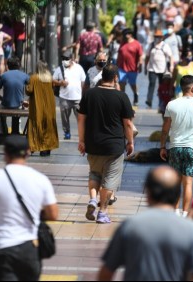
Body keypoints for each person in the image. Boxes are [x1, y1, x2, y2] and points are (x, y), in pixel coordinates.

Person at [97, 166, 193, 281]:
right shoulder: (192, 230)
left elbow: (106, 272)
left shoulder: (130, 226)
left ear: (148, 193)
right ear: (176, 194)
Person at [0, 135, 58, 281]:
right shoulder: (40, 179)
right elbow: (53, 214)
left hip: (3, 248)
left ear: (5, 153)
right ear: (28, 152)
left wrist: (3, 215)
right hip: (29, 250)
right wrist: (35, 215)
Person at [78, 64, 135, 224]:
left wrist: (81, 140)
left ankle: (92, 200)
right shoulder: (121, 97)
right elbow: (128, 124)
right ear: (115, 77)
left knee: (95, 173)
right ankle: (102, 212)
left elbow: (81, 119)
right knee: (109, 181)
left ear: (102, 76)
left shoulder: (89, 94)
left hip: (93, 143)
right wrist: (130, 142)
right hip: (114, 146)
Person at [160, 75, 193, 217]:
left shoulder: (172, 104)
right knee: (188, 183)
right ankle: (185, 213)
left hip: (175, 147)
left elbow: (165, 128)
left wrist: (163, 146)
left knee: (176, 182)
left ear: (181, 87)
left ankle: (175, 211)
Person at [26, 61, 59, 157]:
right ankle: (47, 149)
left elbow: (29, 90)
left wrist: (26, 86)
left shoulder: (34, 78)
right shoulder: (50, 78)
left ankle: (35, 146)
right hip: (49, 106)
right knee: (48, 125)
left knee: (37, 124)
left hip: (37, 105)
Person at [53, 52, 86, 140]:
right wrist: (60, 83)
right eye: (63, 58)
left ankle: (82, 133)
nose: (64, 61)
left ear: (71, 59)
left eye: (66, 59)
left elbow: (83, 81)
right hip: (64, 98)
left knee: (80, 117)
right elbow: (53, 80)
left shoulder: (79, 68)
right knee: (64, 117)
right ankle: (67, 132)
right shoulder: (59, 69)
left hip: (77, 98)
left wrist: (80, 92)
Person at [0, 57, 29, 135]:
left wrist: (2, 99)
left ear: (8, 66)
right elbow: (33, 90)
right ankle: (16, 133)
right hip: (19, 104)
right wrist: (27, 101)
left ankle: (3, 133)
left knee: (1, 115)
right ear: (19, 66)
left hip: (5, 104)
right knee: (17, 116)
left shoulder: (3, 76)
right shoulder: (24, 75)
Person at [145, 29, 174, 108]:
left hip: (162, 69)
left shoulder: (165, 46)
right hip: (152, 68)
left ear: (162, 37)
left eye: (159, 37)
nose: (158, 38)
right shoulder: (151, 45)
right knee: (152, 84)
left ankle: (161, 100)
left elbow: (171, 56)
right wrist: (145, 67)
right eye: (156, 37)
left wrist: (171, 66)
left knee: (162, 86)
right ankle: (149, 100)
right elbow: (147, 56)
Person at [117, 28, 143, 106]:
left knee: (132, 84)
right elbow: (119, 53)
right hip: (122, 67)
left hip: (132, 68)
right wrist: (117, 64)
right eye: (124, 34)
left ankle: (135, 95)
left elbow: (140, 55)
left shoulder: (136, 43)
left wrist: (140, 64)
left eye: (126, 34)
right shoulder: (122, 43)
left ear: (130, 34)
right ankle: (122, 98)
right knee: (121, 83)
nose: (125, 36)